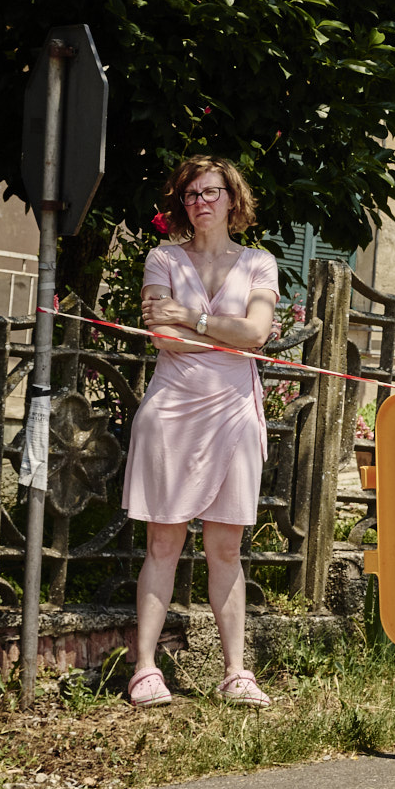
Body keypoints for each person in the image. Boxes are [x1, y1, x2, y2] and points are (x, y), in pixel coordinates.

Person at [121, 156, 282, 708]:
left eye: (211, 192)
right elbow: (161, 338)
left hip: (233, 413)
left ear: (232, 200)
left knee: (226, 546)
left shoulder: (261, 262)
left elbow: (257, 333)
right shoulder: (162, 257)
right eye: (190, 194)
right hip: (172, 410)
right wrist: (225, 335)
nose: (200, 203)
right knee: (163, 541)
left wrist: (191, 316)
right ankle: (145, 668)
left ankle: (236, 672)